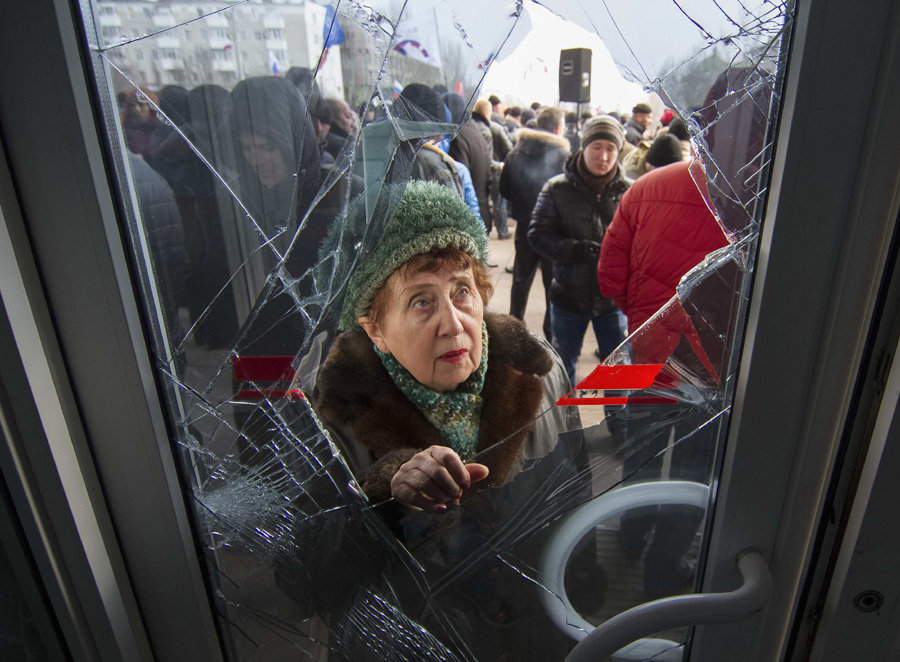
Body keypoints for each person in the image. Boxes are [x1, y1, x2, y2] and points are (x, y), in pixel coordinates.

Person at [313, 181, 581, 658]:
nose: (454, 323)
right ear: (374, 329)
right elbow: (307, 581)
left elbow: (577, 494)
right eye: (421, 300)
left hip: (535, 634)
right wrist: (386, 501)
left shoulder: (543, 372)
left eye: (462, 290)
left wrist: (584, 589)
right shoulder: (333, 420)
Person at [597, 159, 729, 599]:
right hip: (716, 368)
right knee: (693, 469)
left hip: (649, 354)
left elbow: (609, 275)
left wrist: (645, 327)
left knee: (641, 454)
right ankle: (664, 568)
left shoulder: (649, 185)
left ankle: (631, 533)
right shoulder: (763, 200)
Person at [528, 114, 631, 388]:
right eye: (596, 147)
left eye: (610, 149)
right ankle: (566, 427)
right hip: (568, 297)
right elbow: (537, 235)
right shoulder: (556, 188)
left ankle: (620, 428)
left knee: (619, 372)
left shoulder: (631, 192)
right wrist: (574, 250)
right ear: (583, 147)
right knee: (562, 368)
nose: (604, 156)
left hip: (614, 302)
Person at [500, 106, 570, 341]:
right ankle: (552, 336)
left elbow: (504, 189)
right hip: (554, 230)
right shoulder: (563, 154)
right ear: (559, 128)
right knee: (552, 283)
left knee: (521, 279)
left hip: (525, 225)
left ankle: (514, 331)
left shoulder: (517, 150)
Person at [449, 99, 493, 234]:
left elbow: (459, 183)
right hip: (481, 211)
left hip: (471, 219)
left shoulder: (458, 135)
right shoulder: (475, 130)